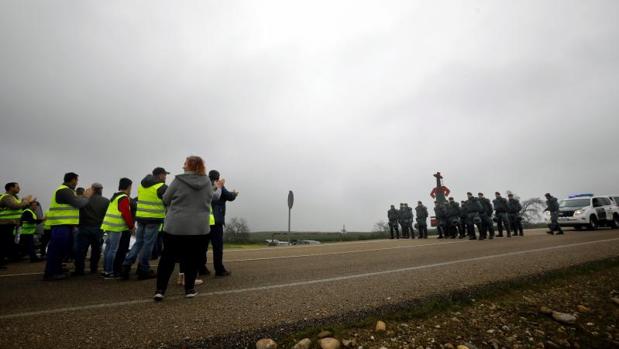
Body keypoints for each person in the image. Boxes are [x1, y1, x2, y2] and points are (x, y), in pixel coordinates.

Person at [154, 156, 222, 301]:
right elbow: (213, 198)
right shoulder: (206, 182)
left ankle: (160, 290)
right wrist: (219, 188)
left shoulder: (178, 180)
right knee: (192, 259)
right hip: (199, 228)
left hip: (175, 226)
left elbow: (165, 199)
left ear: (190, 166)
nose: (183, 165)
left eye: (185, 163)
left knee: (168, 258)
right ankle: (189, 289)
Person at [121, 167, 168, 280]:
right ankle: (143, 269)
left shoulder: (142, 185)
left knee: (139, 243)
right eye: (165, 175)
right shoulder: (161, 187)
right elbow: (168, 201)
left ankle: (126, 265)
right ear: (160, 175)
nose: (166, 177)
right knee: (148, 245)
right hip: (153, 219)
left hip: (141, 218)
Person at [44, 173, 90, 280]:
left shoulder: (67, 191)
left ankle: (57, 269)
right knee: (56, 250)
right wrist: (86, 197)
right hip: (60, 225)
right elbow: (78, 203)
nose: (77, 182)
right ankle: (51, 273)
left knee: (61, 250)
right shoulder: (64, 190)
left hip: (65, 225)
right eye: (77, 180)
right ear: (73, 180)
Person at [201, 169, 238, 277]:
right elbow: (229, 196)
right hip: (216, 221)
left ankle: (201, 268)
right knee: (217, 247)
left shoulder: (203, 185)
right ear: (218, 177)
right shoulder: (218, 185)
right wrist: (234, 194)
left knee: (202, 246)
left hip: (202, 221)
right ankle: (219, 269)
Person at [101, 178, 134, 279]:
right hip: (116, 226)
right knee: (113, 250)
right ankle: (110, 272)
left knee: (108, 248)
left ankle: (106, 270)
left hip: (108, 225)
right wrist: (131, 226)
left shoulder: (115, 196)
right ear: (128, 187)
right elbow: (126, 213)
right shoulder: (124, 197)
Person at [74, 183, 109, 275]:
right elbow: (107, 216)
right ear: (101, 189)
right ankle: (93, 268)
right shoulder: (106, 201)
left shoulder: (84, 200)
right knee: (96, 250)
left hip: (84, 227)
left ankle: (79, 270)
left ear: (92, 189)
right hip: (98, 229)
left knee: (81, 250)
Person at [0, 182, 34, 268]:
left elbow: (19, 207)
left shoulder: (14, 197)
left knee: (7, 243)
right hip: (5, 224)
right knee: (4, 243)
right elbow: (14, 206)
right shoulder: (6, 197)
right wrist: (26, 201)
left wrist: (25, 202)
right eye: (17, 187)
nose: (19, 189)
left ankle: (5, 259)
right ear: (11, 188)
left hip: (11, 224)